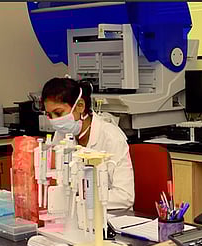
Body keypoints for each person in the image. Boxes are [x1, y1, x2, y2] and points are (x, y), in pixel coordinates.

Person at [41, 77, 134, 210]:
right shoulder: (62, 133)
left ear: (80, 106)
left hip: (110, 217)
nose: (55, 121)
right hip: (73, 214)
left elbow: (125, 197)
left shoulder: (111, 138)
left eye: (58, 113)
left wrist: (81, 196)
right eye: (49, 115)